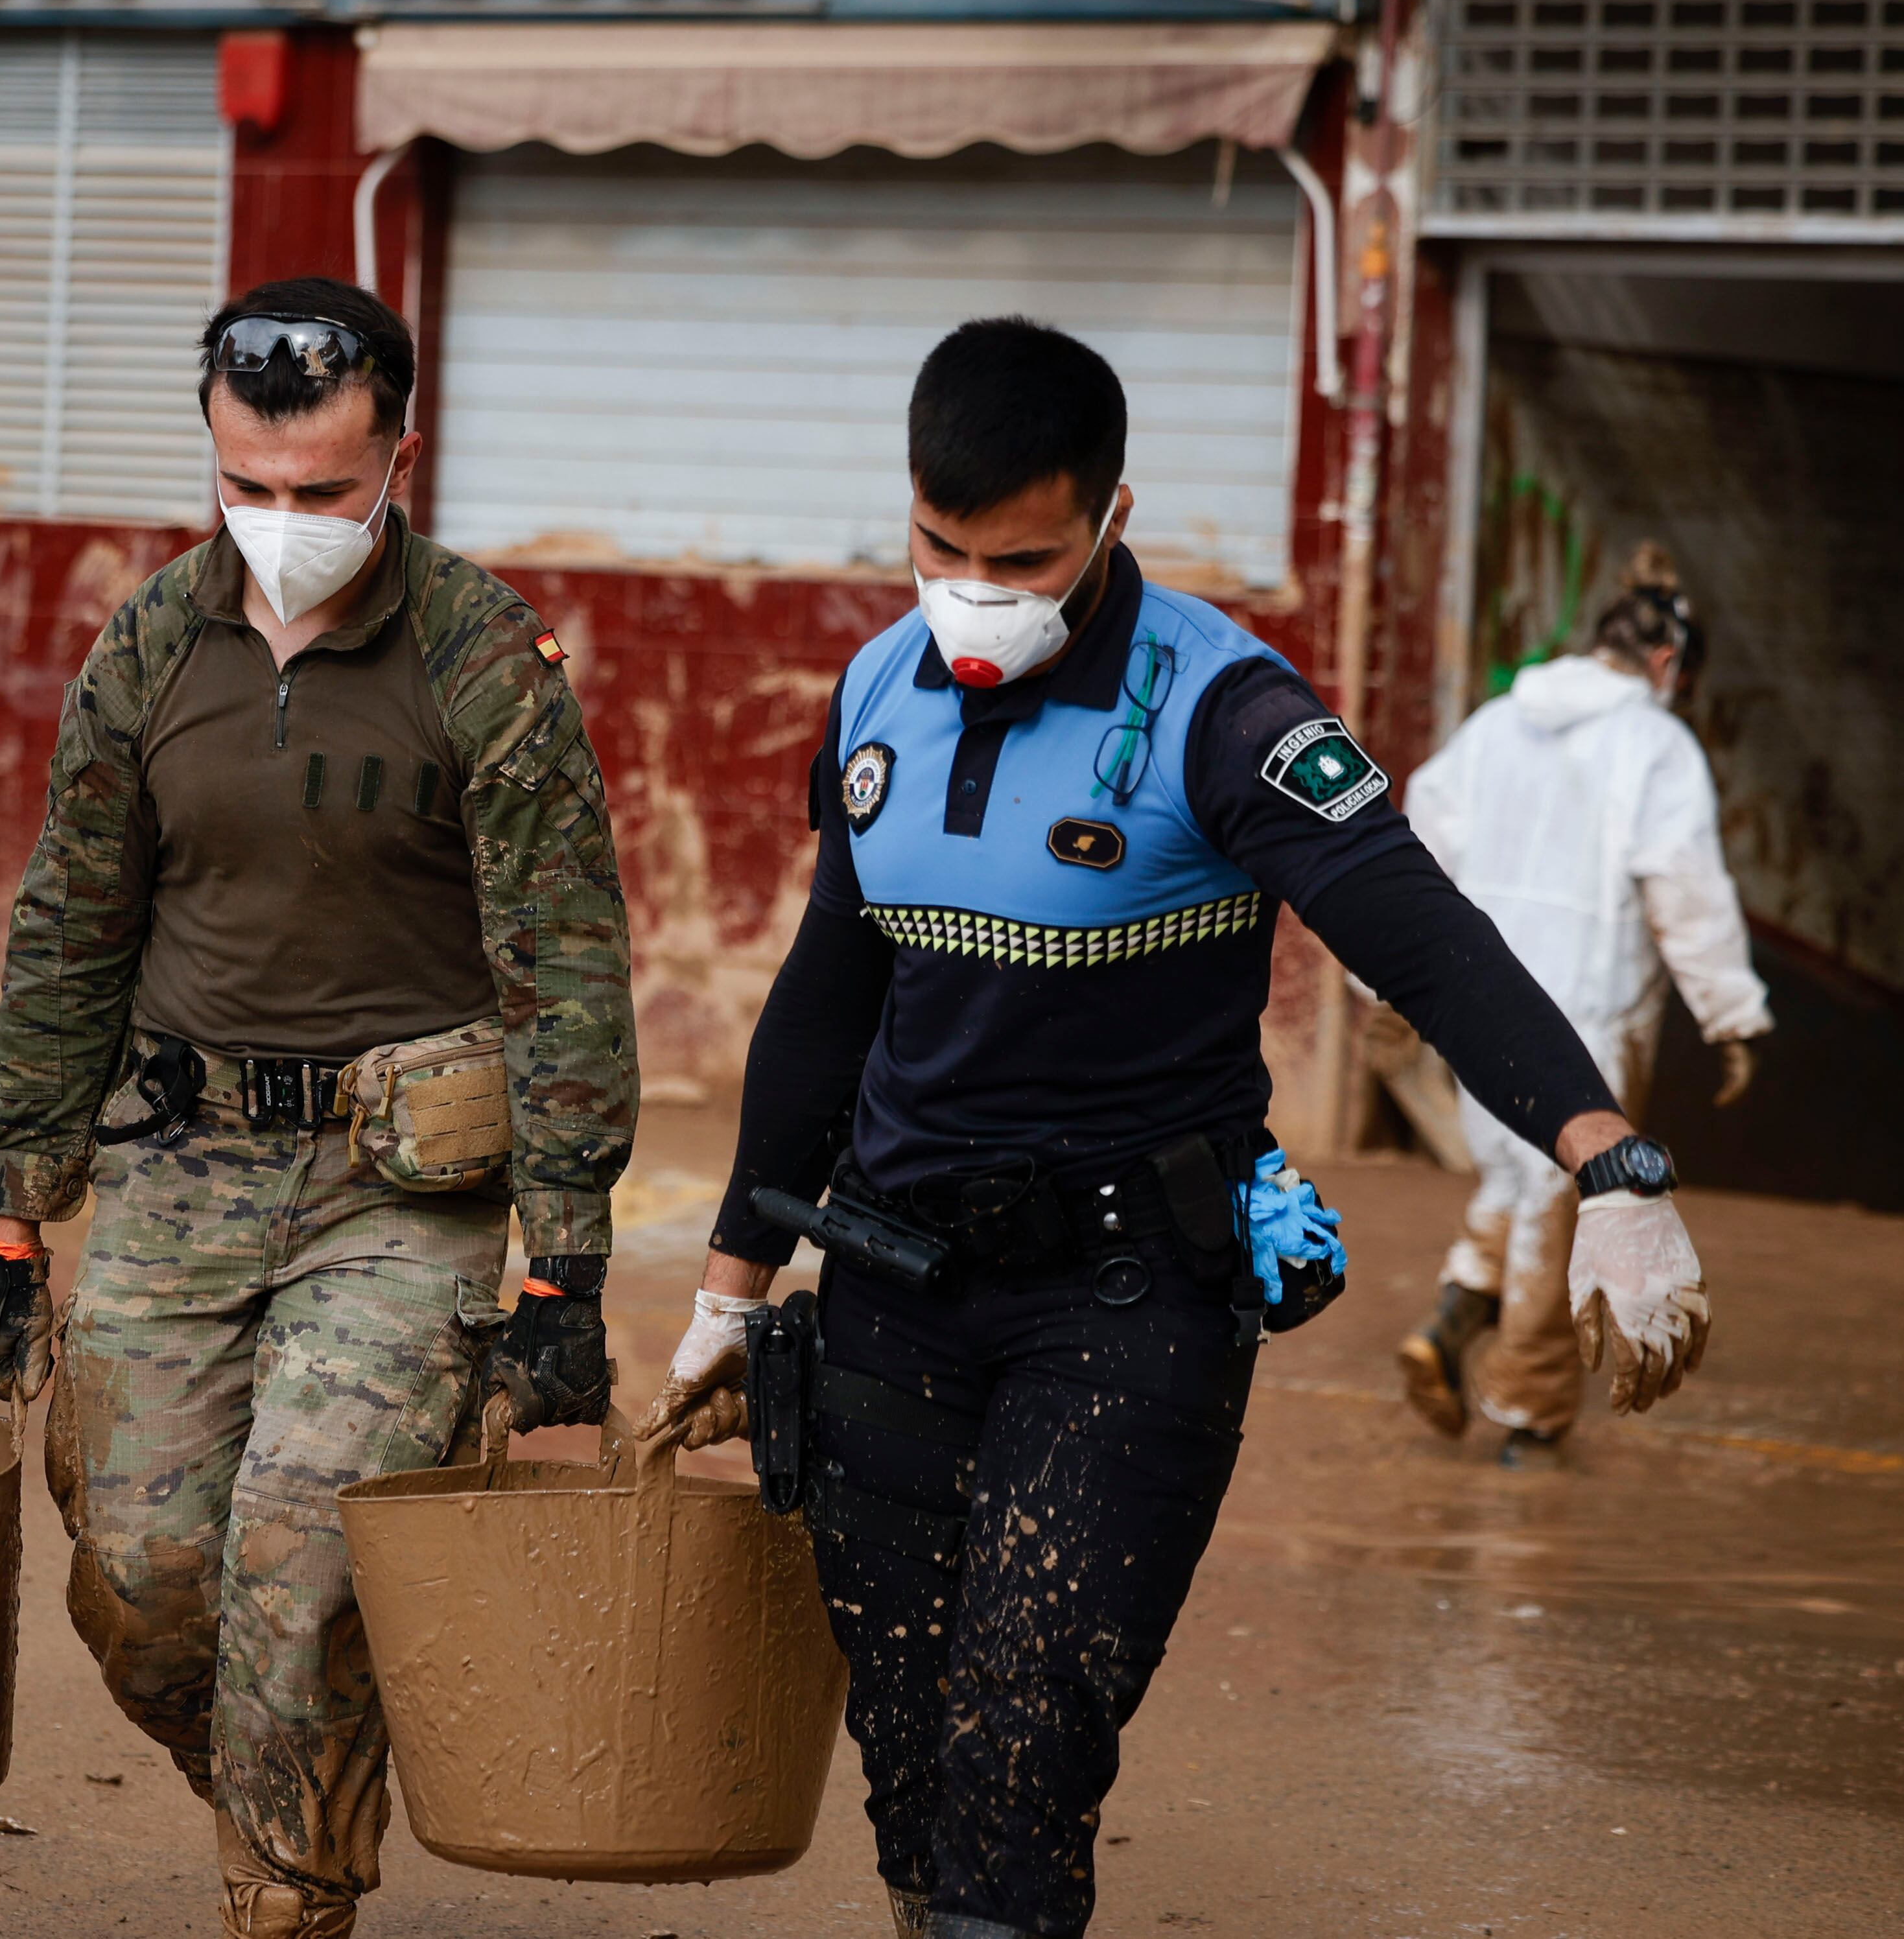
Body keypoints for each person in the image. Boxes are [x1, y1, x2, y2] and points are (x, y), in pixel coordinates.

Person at [639, 320, 1708, 1939]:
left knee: (1028, 1731)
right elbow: (823, 1002)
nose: (977, 589)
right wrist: (733, 1287)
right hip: (887, 1288)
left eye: (1026, 557)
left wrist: (1606, 1155)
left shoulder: (1226, 711)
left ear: (1112, 518)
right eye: (942, 547)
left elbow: (1425, 934)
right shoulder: (871, 687)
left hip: (1125, 1301)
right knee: (913, 1754)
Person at [0, 276, 636, 1939]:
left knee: (301, 1564)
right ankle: (303, 1778)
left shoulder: (486, 654)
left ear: (401, 452)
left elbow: (563, 959)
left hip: (396, 1188)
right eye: (247, 489)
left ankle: (285, 1894)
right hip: (175, 1162)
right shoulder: (149, 643)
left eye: (324, 493)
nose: (283, 526)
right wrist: (12, 1210)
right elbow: (70, 926)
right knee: (143, 1583)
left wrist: (563, 1263)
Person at [1393, 546, 1769, 1461]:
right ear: (1667, 666)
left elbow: (1413, 845)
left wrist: (1389, 988)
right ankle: (1529, 1413)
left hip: (1477, 1006)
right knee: (1568, 1209)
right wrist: (1731, 1014)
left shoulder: (1493, 725)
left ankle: (1447, 1323)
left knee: (1520, 1184)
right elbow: (1681, 884)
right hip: (1585, 1017)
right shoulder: (1657, 745)